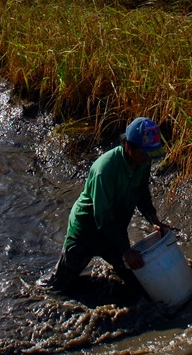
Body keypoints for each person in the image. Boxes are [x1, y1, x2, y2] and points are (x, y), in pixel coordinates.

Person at [45, 116, 171, 299]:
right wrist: (125, 251)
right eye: (145, 154)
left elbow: (142, 191)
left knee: (138, 282)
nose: (148, 159)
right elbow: (102, 215)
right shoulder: (104, 170)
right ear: (128, 146)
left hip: (115, 228)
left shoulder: (142, 162)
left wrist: (154, 220)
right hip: (86, 230)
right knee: (59, 287)